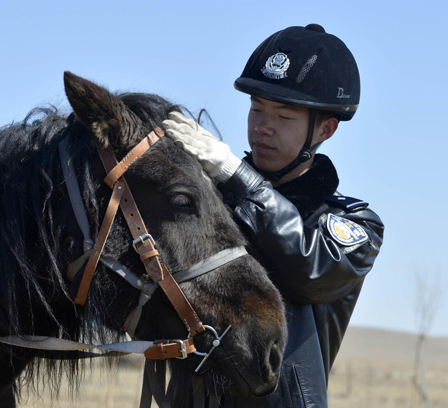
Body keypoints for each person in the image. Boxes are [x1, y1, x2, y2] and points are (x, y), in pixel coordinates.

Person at [163, 24, 384, 408]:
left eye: (283, 116)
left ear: (326, 130)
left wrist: (236, 176)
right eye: (256, 109)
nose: (262, 127)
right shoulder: (215, 198)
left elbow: (309, 269)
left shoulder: (355, 223)